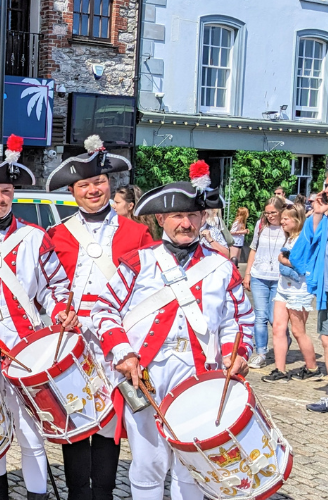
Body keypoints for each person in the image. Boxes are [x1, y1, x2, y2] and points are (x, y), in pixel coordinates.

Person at [92, 168, 253, 500]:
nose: (186, 223)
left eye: (194, 215)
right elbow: (104, 310)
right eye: (178, 215)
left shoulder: (221, 267)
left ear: (203, 218)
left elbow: (239, 319)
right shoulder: (138, 262)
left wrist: (235, 351)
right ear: (162, 218)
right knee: (148, 464)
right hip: (146, 376)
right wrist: (124, 353)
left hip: (199, 377)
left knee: (192, 463)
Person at [0, 136, 77, 500]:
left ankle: (37, 495)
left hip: (27, 348)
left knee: (30, 430)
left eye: (6, 190)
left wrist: (61, 312)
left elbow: (56, 288)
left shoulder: (35, 237)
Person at [44, 135, 153, 500]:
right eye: (85, 184)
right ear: (73, 190)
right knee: (74, 419)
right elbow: (47, 288)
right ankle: (78, 493)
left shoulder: (138, 233)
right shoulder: (57, 234)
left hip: (116, 339)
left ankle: (103, 492)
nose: (94, 190)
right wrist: (60, 312)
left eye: (100, 182)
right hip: (73, 341)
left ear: (111, 184)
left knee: (110, 421)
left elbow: (146, 289)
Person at [263, 204, 322, 383]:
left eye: (286, 219)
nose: (282, 222)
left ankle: (313, 368)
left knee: (298, 331)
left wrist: (283, 260)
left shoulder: (304, 238)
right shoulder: (288, 239)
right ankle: (280, 370)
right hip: (283, 288)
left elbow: (302, 264)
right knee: (278, 328)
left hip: (299, 290)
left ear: (296, 221)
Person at [292, 172, 328, 411]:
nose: (325, 190)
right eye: (326, 185)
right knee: (327, 340)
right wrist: (316, 214)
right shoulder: (325, 218)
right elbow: (301, 253)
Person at [243, 197, 287, 369]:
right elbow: (253, 248)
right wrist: (247, 273)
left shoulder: (287, 227)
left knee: (273, 317)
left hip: (279, 278)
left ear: (281, 210)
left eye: (273, 212)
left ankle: (284, 339)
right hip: (259, 276)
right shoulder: (261, 226)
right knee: (259, 316)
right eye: (267, 212)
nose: (269, 216)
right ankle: (261, 352)